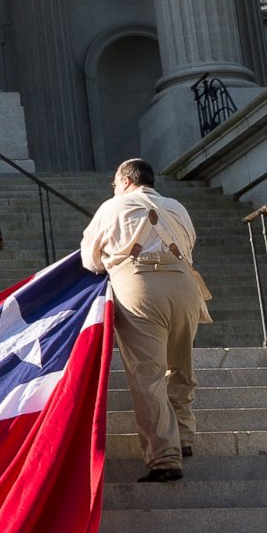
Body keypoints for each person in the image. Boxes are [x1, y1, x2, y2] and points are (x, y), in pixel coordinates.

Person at [79, 157, 210, 483]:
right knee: (180, 366)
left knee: (148, 375)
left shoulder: (112, 207)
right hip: (184, 286)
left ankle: (165, 457)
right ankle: (185, 435)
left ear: (124, 180)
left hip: (138, 285)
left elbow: (89, 259)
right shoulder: (176, 206)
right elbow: (190, 243)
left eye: (114, 183)